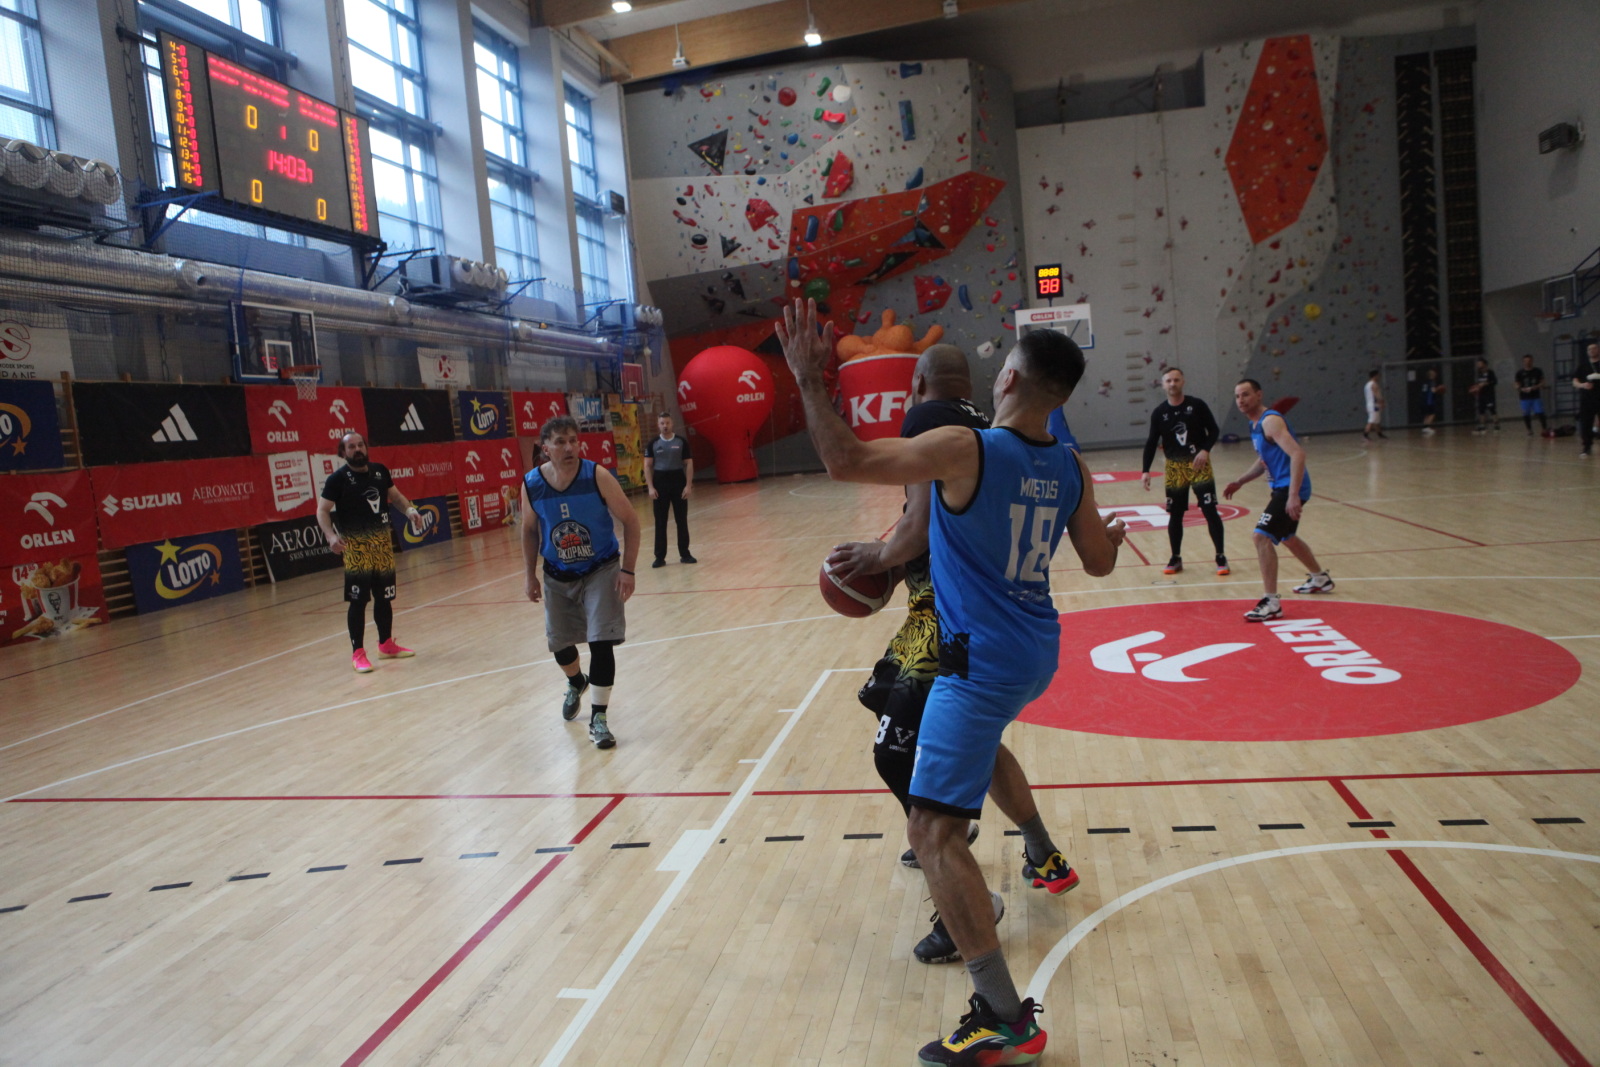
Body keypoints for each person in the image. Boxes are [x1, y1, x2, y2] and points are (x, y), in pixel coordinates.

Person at [779, 298, 1126, 1067]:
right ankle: (1039, 851)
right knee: (973, 758)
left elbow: (846, 461)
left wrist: (807, 378)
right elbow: (1100, 561)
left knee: (932, 832)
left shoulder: (966, 449)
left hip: (977, 659)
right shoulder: (1069, 466)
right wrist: (1112, 534)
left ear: (1008, 378)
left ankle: (1002, 1015)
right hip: (1035, 649)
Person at [826, 344, 1081, 967]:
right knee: (960, 734)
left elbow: (912, 521)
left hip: (946, 620)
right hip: (989, 626)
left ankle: (956, 873)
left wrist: (879, 558)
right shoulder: (992, 430)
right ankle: (1039, 850)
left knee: (897, 752)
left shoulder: (933, 424)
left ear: (917, 383)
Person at [521, 415, 641, 749]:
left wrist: (628, 570)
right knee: (560, 644)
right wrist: (529, 575)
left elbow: (631, 521)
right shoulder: (531, 483)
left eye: (573, 440)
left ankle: (599, 718)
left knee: (601, 641)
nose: (569, 447)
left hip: (600, 568)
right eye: (560, 442)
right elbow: (529, 530)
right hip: (557, 573)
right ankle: (576, 681)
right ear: (545, 449)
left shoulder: (596, 475)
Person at [1224, 380, 1333, 622]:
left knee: (1261, 537)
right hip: (1281, 488)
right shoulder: (1255, 424)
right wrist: (1241, 481)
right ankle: (1320, 579)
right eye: (1237, 396)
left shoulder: (1270, 421)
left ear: (1259, 395)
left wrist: (1293, 495)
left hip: (1290, 487)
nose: (1241, 400)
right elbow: (1264, 460)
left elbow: (1298, 453)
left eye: (1246, 394)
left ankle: (1271, 602)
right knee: (1287, 537)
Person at [316, 432, 420, 673]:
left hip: (382, 548)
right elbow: (322, 510)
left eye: (360, 445)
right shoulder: (337, 479)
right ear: (343, 453)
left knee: (385, 597)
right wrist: (330, 536)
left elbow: (396, 497)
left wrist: (410, 511)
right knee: (358, 601)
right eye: (351, 447)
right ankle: (358, 653)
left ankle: (386, 644)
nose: (357, 449)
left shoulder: (380, 471)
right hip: (357, 551)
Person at [1139, 367, 1227, 576]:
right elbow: (1152, 442)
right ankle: (1175, 557)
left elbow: (1214, 430)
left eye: (1176, 380)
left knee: (1210, 510)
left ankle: (1220, 556)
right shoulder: (1159, 412)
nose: (1172, 384)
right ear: (1163, 385)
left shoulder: (1197, 405)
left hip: (1199, 465)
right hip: (1175, 468)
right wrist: (1145, 470)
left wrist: (1205, 450)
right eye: (1168, 380)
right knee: (1175, 514)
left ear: (1183, 382)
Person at [643, 412, 696, 568]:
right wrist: (650, 487)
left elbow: (689, 463)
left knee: (681, 520)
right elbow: (647, 465)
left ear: (672, 424)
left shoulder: (681, 442)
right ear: (658, 425)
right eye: (662, 423)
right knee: (660, 521)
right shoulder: (653, 443)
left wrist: (688, 485)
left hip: (678, 481)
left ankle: (685, 554)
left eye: (667, 423)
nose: (665, 426)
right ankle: (659, 557)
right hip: (660, 483)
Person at [1576, 341, 1600, 458]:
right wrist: (1583, 385)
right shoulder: (1583, 366)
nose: (1592, 351)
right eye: (1590, 349)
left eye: (1594, 348)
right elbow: (1575, 381)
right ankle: (1587, 446)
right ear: (1587, 352)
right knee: (1586, 423)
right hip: (1587, 399)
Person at [1515, 354, 1549, 436]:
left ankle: (1544, 428)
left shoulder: (1537, 371)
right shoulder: (1520, 373)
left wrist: (1535, 387)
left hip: (1535, 396)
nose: (1527, 363)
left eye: (1529, 361)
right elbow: (1516, 384)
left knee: (1540, 413)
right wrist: (1520, 388)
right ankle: (1529, 430)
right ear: (1523, 362)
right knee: (1526, 414)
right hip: (1524, 397)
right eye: (1526, 361)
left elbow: (1542, 382)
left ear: (1532, 361)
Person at [1470, 358, 1499, 434]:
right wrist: (1475, 388)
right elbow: (1478, 383)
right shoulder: (1479, 373)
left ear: (1484, 364)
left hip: (1489, 394)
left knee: (1492, 409)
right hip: (1481, 394)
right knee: (1481, 410)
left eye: (1480, 363)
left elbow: (1495, 381)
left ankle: (1496, 425)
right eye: (1478, 363)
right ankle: (1482, 426)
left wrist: (1485, 384)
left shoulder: (1490, 372)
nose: (1478, 365)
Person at [1420, 366, 1445, 435]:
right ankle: (1427, 427)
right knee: (1432, 414)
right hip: (1429, 400)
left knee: (1426, 415)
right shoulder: (1432, 382)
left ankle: (1424, 428)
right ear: (1432, 375)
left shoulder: (1425, 382)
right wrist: (1439, 388)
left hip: (1423, 400)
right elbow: (1433, 391)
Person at [1363, 369, 1387, 441]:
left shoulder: (1367, 385)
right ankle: (1365, 436)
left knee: (1377, 421)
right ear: (1375, 376)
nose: (1379, 377)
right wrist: (1382, 402)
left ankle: (1380, 434)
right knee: (1371, 421)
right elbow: (1377, 395)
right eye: (1378, 375)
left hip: (1371, 404)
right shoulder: (1374, 384)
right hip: (1374, 405)